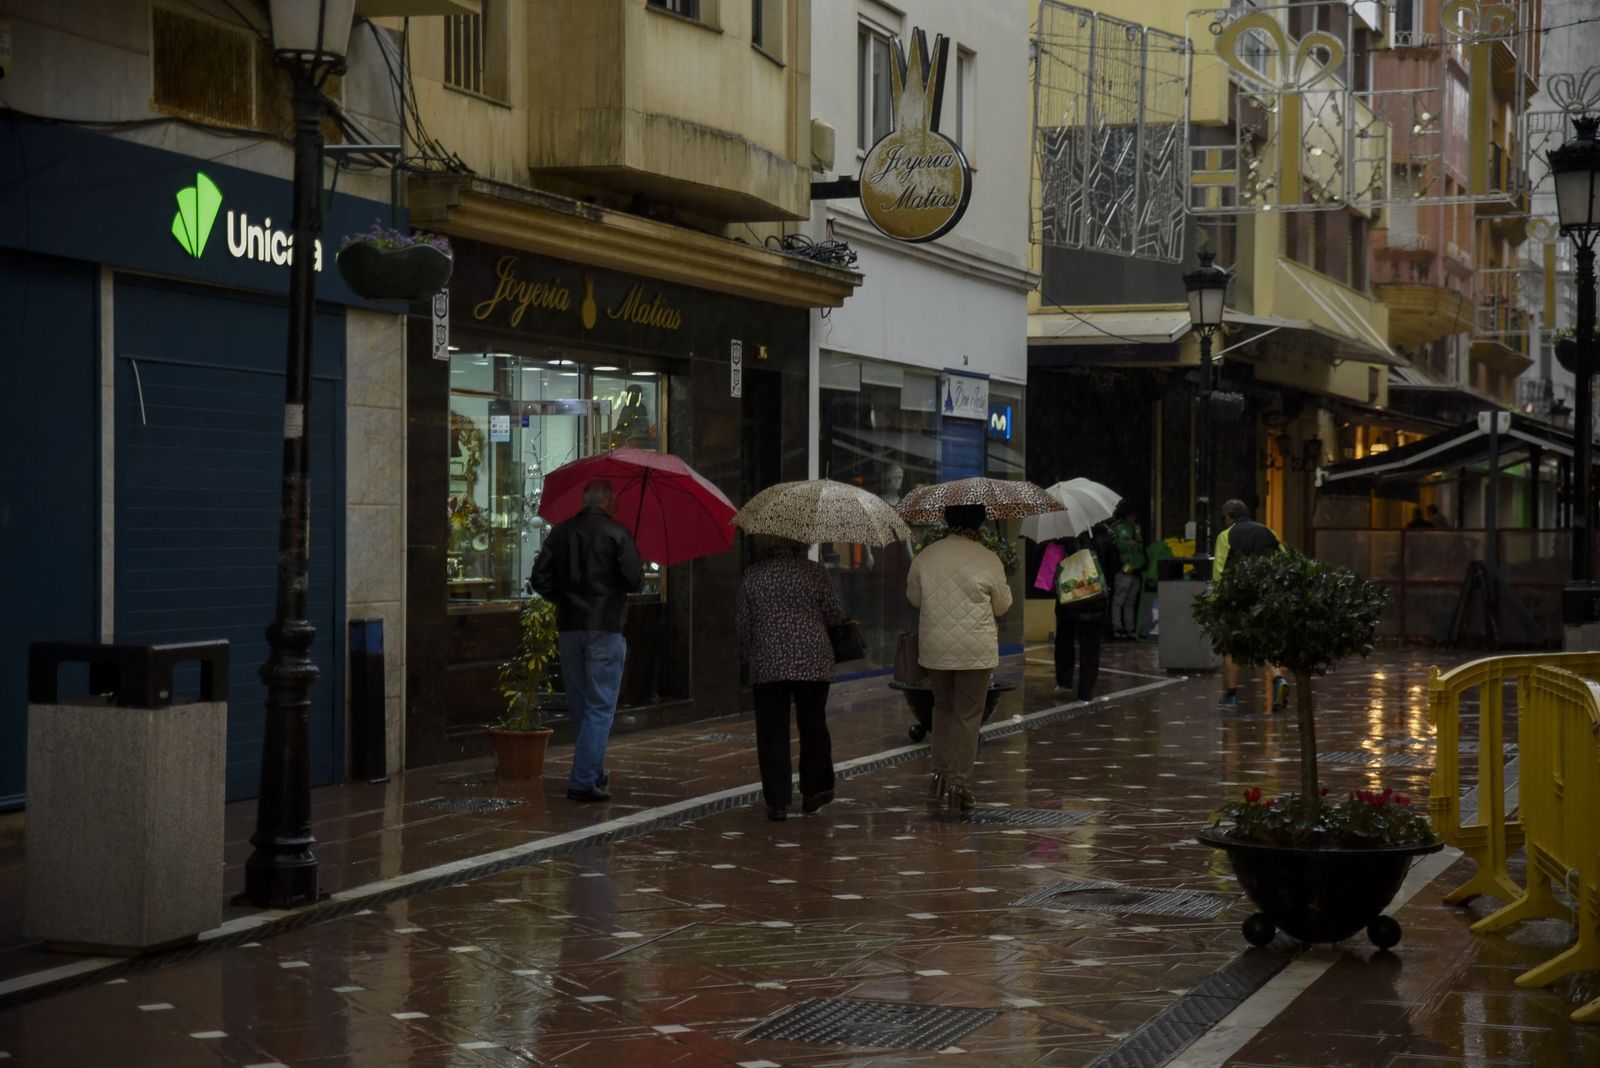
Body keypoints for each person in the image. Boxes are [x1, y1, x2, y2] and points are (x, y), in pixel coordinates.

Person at [530, 478, 644, 802]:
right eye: (616, 502)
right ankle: (582, 780)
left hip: (569, 628)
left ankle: (591, 771)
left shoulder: (561, 531)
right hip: (605, 627)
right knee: (600, 706)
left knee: (581, 706)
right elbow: (634, 580)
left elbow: (539, 578)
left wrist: (563, 599)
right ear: (608, 502)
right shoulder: (618, 533)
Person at [906, 503, 1013, 813]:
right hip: (975, 651)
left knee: (942, 709)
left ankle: (938, 778)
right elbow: (1003, 606)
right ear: (979, 522)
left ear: (947, 519)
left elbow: (914, 598)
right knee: (968, 716)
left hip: (936, 648)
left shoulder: (927, 555)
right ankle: (959, 785)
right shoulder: (988, 557)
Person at [736, 536, 845, 822]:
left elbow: (743, 623)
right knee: (813, 725)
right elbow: (834, 615)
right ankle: (815, 791)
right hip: (812, 659)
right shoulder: (815, 572)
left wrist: (750, 656)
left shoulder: (753, 575)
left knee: (772, 730)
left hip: (768, 660)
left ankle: (777, 801)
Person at [1213, 499, 1287, 712]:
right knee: (1267, 645)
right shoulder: (1269, 532)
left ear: (1228, 517)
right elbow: (1283, 562)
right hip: (1266, 598)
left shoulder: (1226, 536)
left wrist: (1216, 602)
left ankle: (1232, 696)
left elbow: (1219, 571)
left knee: (1232, 647)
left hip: (1238, 599)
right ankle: (1279, 680)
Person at [1054, 530, 1109, 702]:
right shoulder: (1101, 534)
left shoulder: (1060, 538)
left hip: (1069, 597)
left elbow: (1051, 568)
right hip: (1094, 598)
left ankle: (1065, 679)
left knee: (1064, 637)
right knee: (1091, 646)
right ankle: (1086, 689)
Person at [1109, 503, 1146, 639]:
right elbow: (1114, 545)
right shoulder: (1117, 528)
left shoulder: (1136, 528)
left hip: (1136, 567)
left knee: (1130, 600)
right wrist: (1125, 544)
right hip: (1123, 568)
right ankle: (1117, 627)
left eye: (1134, 517)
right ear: (1125, 516)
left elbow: (1140, 546)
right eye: (1131, 516)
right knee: (1119, 599)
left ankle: (1129, 628)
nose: (1133, 519)